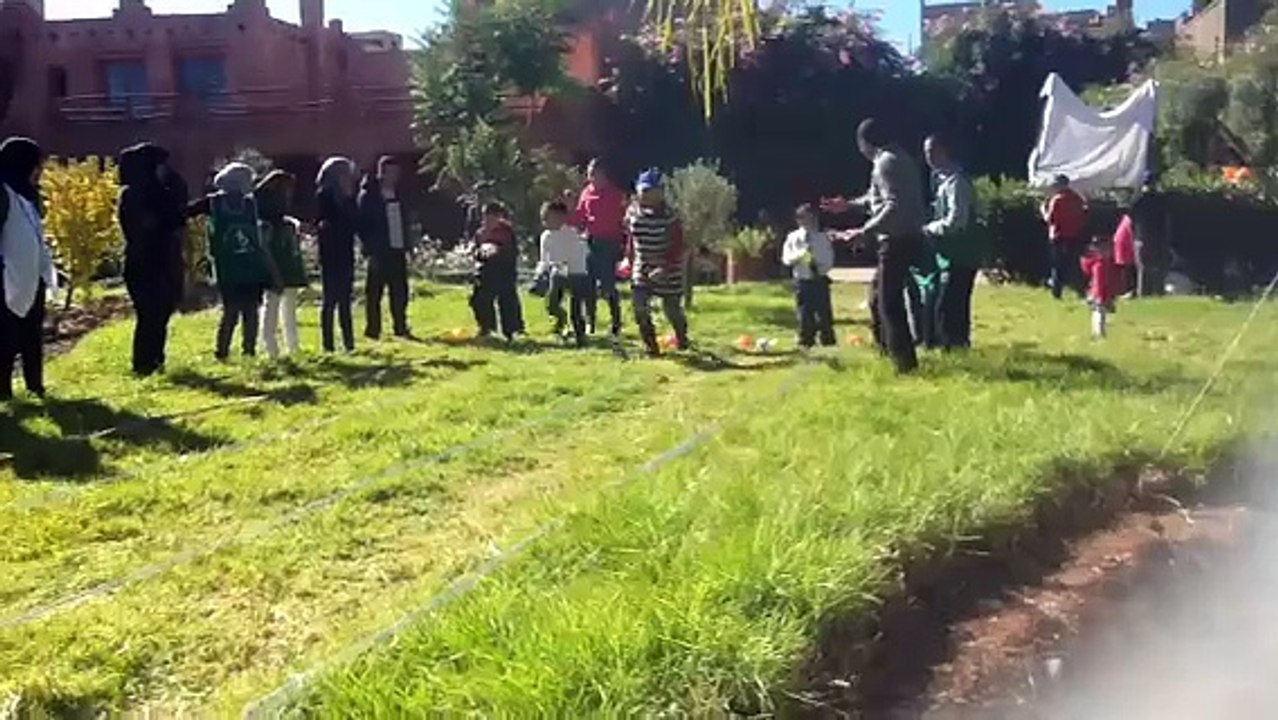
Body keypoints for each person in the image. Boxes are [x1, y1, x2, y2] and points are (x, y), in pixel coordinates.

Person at [826, 119, 928, 374]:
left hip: (897, 239)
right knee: (876, 296)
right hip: (906, 235)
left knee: (888, 302)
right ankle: (888, 350)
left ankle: (904, 363)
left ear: (864, 142)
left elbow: (894, 205)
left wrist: (864, 231)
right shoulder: (898, 158)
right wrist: (848, 205)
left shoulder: (886, 163)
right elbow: (877, 200)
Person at [117, 142, 188, 376]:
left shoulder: (159, 192)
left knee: (161, 313)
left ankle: (156, 360)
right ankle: (143, 363)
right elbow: (158, 224)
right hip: (145, 263)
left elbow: (175, 217)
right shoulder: (134, 195)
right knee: (149, 315)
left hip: (162, 261)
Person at [197, 162, 277, 360]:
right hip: (230, 266)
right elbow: (186, 213)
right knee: (235, 311)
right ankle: (225, 351)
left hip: (249, 265)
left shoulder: (250, 203)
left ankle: (245, 351)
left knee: (248, 311)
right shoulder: (214, 202)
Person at [0, 137, 56, 400]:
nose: (39, 172)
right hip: (6, 279)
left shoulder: (30, 194)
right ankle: (3, 393)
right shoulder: (2, 192)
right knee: (6, 338)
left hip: (31, 278)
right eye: (37, 166)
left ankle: (35, 386)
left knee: (32, 335)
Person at [922, 133, 981, 350]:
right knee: (947, 302)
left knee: (950, 304)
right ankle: (952, 345)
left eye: (931, 151)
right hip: (949, 254)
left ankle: (954, 345)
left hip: (963, 254)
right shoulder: (940, 180)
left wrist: (928, 229)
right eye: (926, 152)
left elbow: (957, 221)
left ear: (944, 150)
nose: (928, 157)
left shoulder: (957, 183)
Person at [626, 169, 689, 357]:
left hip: (667, 268)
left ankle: (682, 336)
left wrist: (664, 267)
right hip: (642, 265)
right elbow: (632, 238)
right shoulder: (633, 212)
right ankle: (651, 347)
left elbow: (678, 246)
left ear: (660, 192)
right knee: (639, 307)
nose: (645, 195)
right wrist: (628, 260)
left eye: (650, 191)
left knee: (671, 310)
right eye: (642, 191)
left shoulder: (670, 217)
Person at [358, 155, 414, 340]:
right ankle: (373, 329)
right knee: (374, 292)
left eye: (396, 172)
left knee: (400, 291)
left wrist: (408, 244)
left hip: (397, 248)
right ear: (381, 172)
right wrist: (369, 248)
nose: (394, 176)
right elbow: (363, 225)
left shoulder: (400, 194)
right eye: (390, 172)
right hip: (378, 250)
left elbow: (405, 221)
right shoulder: (369, 195)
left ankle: (400, 326)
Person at [572, 158, 627, 337]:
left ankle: (616, 321)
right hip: (590, 241)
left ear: (603, 175)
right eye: (589, 174)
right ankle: (591, 322)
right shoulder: (586, 193)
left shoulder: (615, 195)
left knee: (607, 285)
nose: (591, 177)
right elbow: (580, 216)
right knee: (587, 284)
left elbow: (623, 219)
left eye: (594, 174)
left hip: (609, 243)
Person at [256, 170, 307, 358]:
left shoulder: (283, 219)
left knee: (284, 307)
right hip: (278, 263)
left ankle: (290, 347)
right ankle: (273, 348)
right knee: (273, 306)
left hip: (287, 262)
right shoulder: (268, 220)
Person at [316, 157, 359, 353]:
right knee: (330, 300)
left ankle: (349, 342)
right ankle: (328, 344)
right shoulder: (324, 195)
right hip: (331, 252)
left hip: (345, 250)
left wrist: (350, 198)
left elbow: (355, 222)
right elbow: (324, 222)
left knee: (345, 300)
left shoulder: (348, 196)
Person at [536, 200, 591, 346]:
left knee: (576, 307)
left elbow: (583, 252)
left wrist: (571, 264)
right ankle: (560, 320)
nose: (548, 222)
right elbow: (544, 258)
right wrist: (540, 273)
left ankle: (580, 335)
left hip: (576, 273)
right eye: (545, 218)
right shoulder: (545, 236)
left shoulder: (572, 234)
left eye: (552, 218)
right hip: (558, 273)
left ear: (562, 218)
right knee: (552, 303)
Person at [781, 203, 836, 349]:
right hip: (802, 279)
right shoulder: (793, 238)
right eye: (803, 218)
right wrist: (801, 255)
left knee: (824, 311)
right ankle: (806, 339)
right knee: (805, 312)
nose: (807, 221)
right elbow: (786, 259)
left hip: (819, 278)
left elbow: (829, 258)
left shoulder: (822, 237)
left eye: (810, 218)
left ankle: (827, 339)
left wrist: (819, 264)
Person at [470, 202, 525, 341]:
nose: (489, 220)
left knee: (508, 301)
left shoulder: (506, 232)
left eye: (493, 217)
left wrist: (498, 250)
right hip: (486, 272)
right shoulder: (480, 233)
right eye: (486, 217)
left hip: (504, 272)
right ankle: (487, 327)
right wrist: (481, 253)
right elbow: (476, 253)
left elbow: (512, 252)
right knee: (479, 300)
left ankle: (512, 330)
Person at [1041, 174, 1087, 300]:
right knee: (1074, 264)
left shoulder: (1057, 200)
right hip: (1074, 235)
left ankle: (1057, 292)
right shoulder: (1077, 198)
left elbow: (1051, 219)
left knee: (1058, 266)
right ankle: (1081, 291)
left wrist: (1043, 210)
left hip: (1058, 236)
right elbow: (1082, 217)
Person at [1081, 235, 1118, 339]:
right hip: (1099, 294)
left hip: (1102, 293)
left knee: (1101, 313)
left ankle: (1099, 332)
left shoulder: (1105, 264)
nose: (1110, 252)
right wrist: (1101, 296)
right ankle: (1099, 333)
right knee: (1099, 313)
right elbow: (1099, 283)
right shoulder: (1099, 266)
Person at [1112, 211, 1137, 298]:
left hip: (1121, 243)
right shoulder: (1131, 219)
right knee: (1128, 270)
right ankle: (1128, 290)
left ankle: (1127, 290)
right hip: (1125, 244)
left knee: (1125, 269)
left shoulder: (1127, 218)